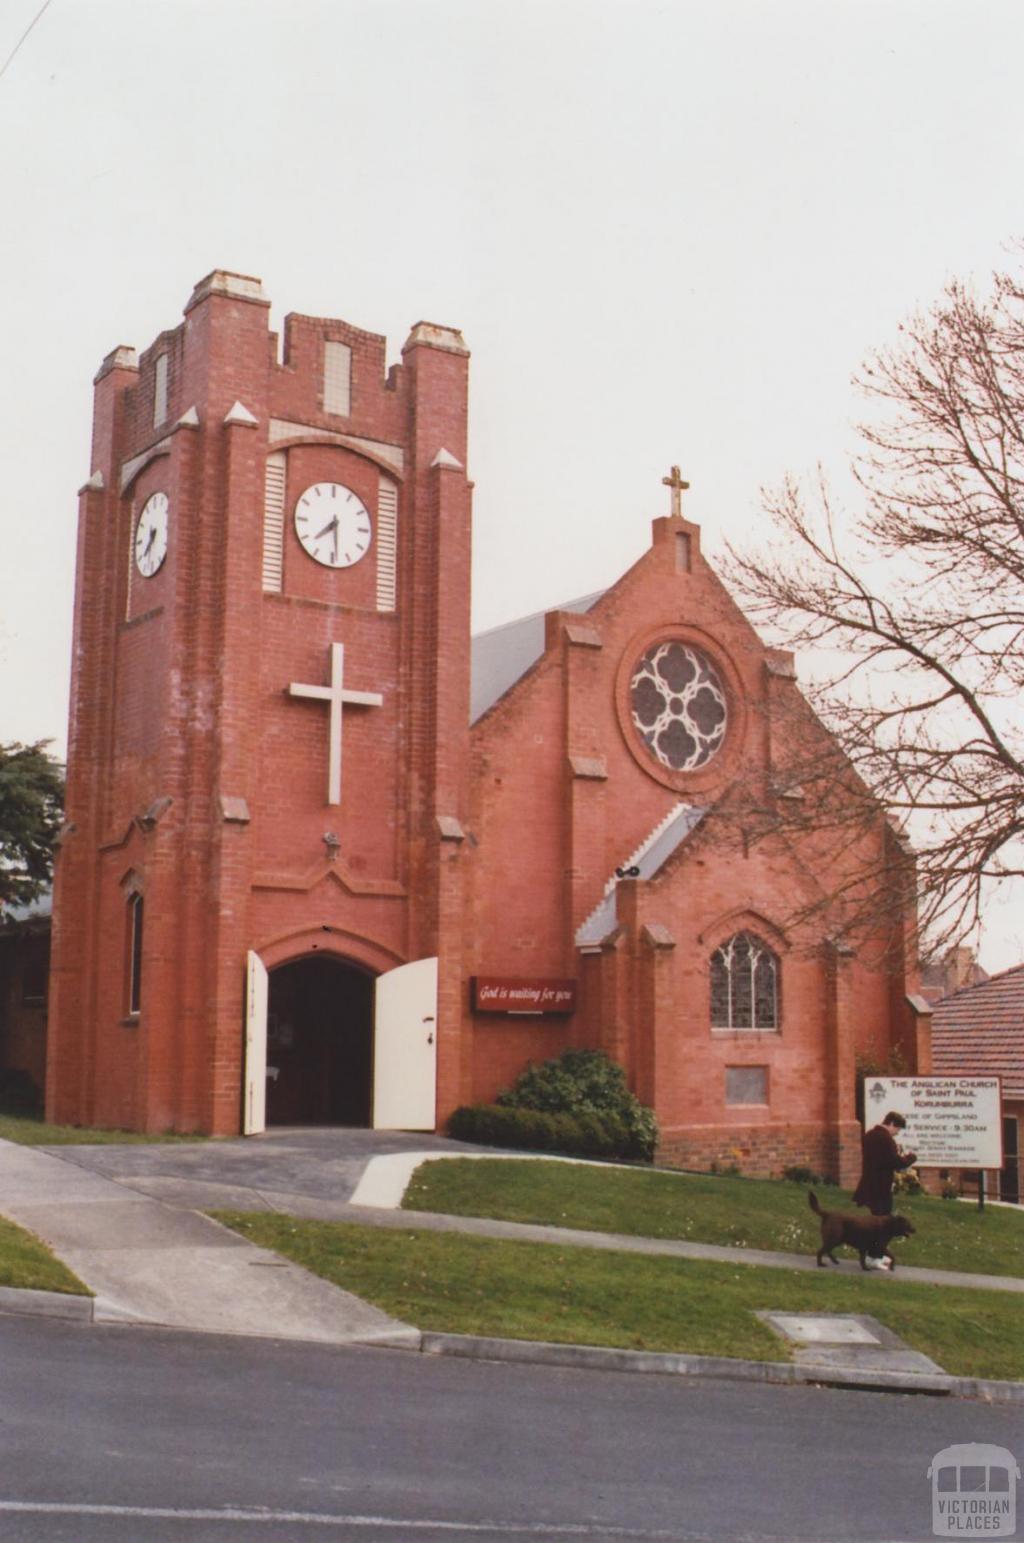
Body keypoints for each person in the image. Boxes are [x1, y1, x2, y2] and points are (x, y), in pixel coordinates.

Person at [853, 1110, 917, 1269]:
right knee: (882, 1226)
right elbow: (895, 1162)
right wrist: (910, 1158)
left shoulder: (869, 1135)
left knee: (876, 1222)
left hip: (869, 1183)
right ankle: (874, 1257)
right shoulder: (886, 1139)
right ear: (891, 1124)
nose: (897, 1133)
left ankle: (875, 1255)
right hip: (881, 1187)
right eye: (897, 1129)